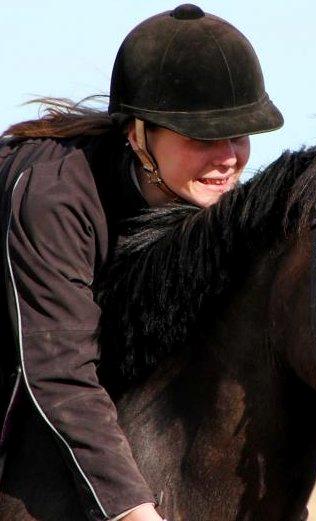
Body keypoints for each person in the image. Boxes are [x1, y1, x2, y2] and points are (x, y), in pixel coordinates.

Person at [0, 4, 283, 520]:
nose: (228, 158)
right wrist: (132, 509)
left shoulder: (196, 200)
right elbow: (58, 373)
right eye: (202, 138)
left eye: (238, 136)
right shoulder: (55, 199)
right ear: (137, 135)